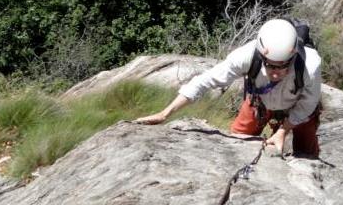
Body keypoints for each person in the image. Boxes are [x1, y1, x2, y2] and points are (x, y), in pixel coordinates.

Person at [136, 18, 323, 157]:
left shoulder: (310, 65)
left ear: (293, 56)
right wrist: (165, 113)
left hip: (296, 106)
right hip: (260, 102)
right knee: (237, 141)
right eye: (270, 65)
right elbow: (206, 80)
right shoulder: (247, 56)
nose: (275, 73)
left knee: (307, 153)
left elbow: (308, 104)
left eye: (283, 66)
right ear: (262, 55)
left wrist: (283, 130)